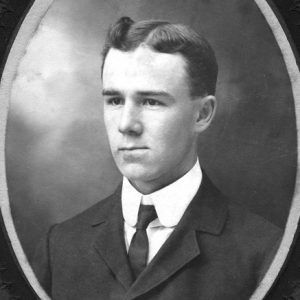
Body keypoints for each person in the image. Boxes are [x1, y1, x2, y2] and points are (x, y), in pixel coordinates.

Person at [32, 17, 282, 300]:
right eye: (114, 100)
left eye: (151, 102)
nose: (126, 125)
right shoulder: (60, 245)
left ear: (202, 114)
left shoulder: (266, 252)